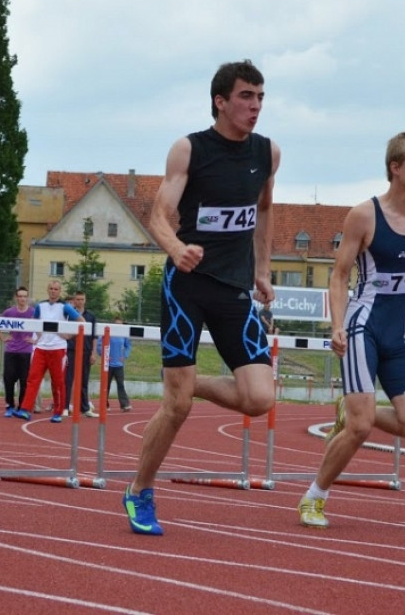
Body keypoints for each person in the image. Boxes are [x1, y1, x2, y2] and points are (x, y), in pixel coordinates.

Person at [123, 60, 280, 536]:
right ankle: (139, 490)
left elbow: (264, 209)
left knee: (259, 397)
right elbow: (158, 215)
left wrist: (262, 270)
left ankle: (189, 383)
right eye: (246, 96)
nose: (255, 105)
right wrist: (177, 249)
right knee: (177, 408)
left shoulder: (267, 152)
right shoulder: (189, 149)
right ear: (220, 101)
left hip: (234, 288)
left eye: (260, 97)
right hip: (187, 286)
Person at [298, 130, 405, 529]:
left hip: (401, 336)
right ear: (395, 168)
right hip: (363, 329)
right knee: (361, 427)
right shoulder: (364, 215)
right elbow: (339, 275)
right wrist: (337, 326)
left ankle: (350, 408)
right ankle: (314, 497)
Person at [13, 280, 82, 423]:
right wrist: (37, 338)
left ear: (60, 291)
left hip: (57, 349)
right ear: (47, 290)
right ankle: (25, 409)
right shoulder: (40, 306)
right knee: (32, 379)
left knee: (58, 382)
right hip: (41, 349)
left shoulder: (65, 307)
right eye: (51, 288)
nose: (53, 291)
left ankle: (58, 412)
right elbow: (34, 322)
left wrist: (69, 335)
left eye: (56, 289)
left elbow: (81, 321)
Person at [0, 286, 35, 417]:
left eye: (25, 296)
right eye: (20, 296)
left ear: (27, 298)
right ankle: (9, 406)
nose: (22, 299)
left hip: (26, 351)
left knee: (24, 381)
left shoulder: (33, 312)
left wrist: (36, 340)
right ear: (16, 298)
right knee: (9, 379)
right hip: (11, 350)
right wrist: (3, 338)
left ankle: (22, 406)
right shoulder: (9, 312)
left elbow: (44, 326)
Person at [65, 290, 97, 416]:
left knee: (84, 380)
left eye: (82, 299)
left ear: (85, 300)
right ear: (74, 301)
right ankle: (65, 407)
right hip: (71, 350)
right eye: (77, 299)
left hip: (86, 351)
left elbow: (94, 336)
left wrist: (93, 353)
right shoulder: (69, 315)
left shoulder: (91, 316)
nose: (80, 302)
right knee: (68, 379)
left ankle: (85, 408)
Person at [99, 316, 132, 411]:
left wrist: (125, 355)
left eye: (120, 325)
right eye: (117, 324)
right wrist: (104, 355)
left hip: (119, 365)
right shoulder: (107, 333)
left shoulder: (124, 334)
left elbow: (128, 346)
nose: (119, 326)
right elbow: (99, 345)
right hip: (108, 365)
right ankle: (104, 404)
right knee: (106, 385)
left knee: (120, 384)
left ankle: (124, 405)